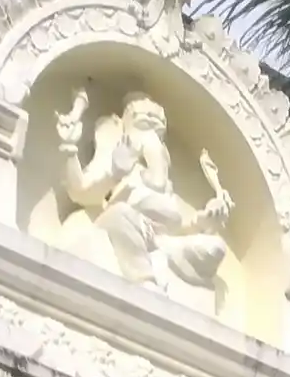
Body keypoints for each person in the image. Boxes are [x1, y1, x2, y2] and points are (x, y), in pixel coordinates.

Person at [57, 89, 232, 299]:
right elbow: (80, 191)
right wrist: (112, 171)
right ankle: (145, 281)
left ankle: (154, 268)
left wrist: (201, 222)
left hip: (162, 240)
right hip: (124, 222)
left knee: (215, 247)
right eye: (144, 119)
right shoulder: (116, 158)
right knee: (120, 214)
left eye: (156, 124)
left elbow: (176, 227)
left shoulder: (163, 183)